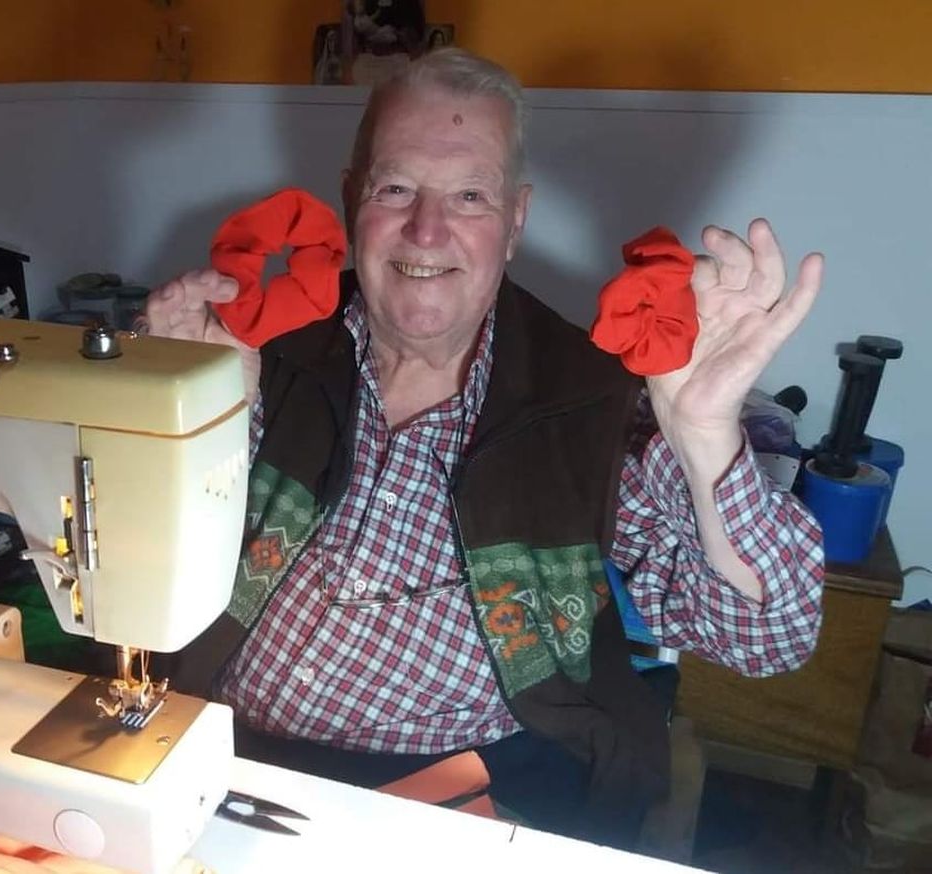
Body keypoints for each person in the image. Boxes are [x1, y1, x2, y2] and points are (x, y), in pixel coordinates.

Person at [146, 48, 824, 847]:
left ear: (515, 222)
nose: (427, 230)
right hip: (221, 762)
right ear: (352, 199)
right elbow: (136, 551)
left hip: (472, 796)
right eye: (396, 189)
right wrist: (182, 409)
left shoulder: (590, 398)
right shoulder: (264, 348)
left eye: (470, 195)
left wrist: (707, 435)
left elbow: (765, 639)